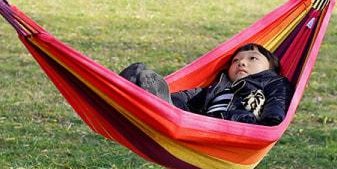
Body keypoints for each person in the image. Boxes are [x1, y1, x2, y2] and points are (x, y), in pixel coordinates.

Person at [120, 43, 294, 126]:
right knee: (179, 104)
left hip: (239, 125)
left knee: (182, 118)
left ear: (272, 68)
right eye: (236, 60)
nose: (241, 63)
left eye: (252, 58)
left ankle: (144, 96)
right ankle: (140, 92)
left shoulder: (274, 81)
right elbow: (190, 96)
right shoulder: (220, 85)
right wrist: (167, 98)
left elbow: (279, 99)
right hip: (202, 123)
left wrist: (272, 121)